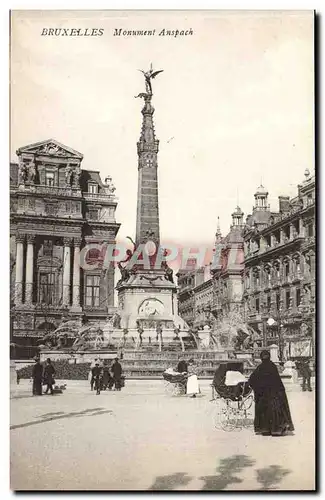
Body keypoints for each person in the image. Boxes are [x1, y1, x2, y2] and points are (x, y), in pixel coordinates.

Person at [248, 350, 294, 436]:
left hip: (263, 396)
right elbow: (278, 382)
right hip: (275, 395)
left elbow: (251, 380)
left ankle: (265, 429)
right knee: (276, 410)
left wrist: (257, 389)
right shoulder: (273, 366)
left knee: (264, 410)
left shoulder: (260, 368)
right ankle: (276, 430)